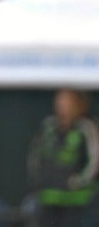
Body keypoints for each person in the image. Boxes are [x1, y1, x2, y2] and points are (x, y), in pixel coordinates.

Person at [26, 89, 99, 227]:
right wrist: (42, 180)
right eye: (60, 103)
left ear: (78, 105)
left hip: (78, 202)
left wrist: (78, 182)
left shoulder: (87, 128)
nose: (63, 108)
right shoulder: (48, 127)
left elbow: (95, 161)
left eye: (67, 103)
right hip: (49, 199)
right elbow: (35, 156)